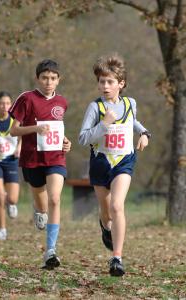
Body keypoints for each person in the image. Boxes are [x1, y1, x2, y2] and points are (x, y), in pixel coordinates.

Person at [79, 53, 151, 276]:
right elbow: (83, 138)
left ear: (121, 84)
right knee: (107, 212)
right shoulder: (95, 108)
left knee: (117, 206)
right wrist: (104, 124)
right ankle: (105, 227)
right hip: (101, 162)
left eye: (110, 82)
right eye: (102, 81)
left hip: (124, 162)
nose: (105, 86)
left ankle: (116, 259)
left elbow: (133, 121)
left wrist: (144, 133)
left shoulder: (130, 104)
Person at [9, 59, 71, 270]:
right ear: (38, 78)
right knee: (43, 204)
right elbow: (13, 130)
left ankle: (50, 251)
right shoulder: (26, 99)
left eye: (53, 78)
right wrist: (34, 129)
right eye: (44, 78)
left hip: (55, 159)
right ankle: (38, 210)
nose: (48, 82)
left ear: (58, 80)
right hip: (32, 159)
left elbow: (58, 130)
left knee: (55, 199)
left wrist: (66, 141)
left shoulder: (62, 102)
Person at [0, 91, 21, 241]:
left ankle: (11, 204)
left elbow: (23, 135)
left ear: (11, 105)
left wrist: (20, 146)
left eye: (8, 103)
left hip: (12, 160)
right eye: (2, 103)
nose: (5, 106)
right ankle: (2, 228)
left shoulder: (15, 119)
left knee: (12, 199)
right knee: (0, 196)